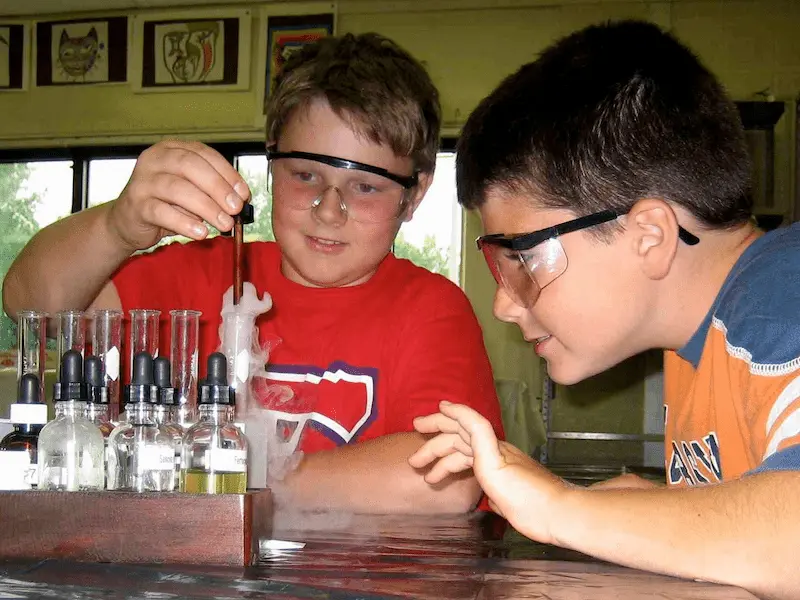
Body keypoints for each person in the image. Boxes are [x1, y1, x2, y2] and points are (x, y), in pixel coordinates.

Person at [3, 32, 503, 514]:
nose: (329, 210)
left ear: (414, 194)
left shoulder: (430, 307)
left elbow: (450, 480)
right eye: (305, 176)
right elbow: (32, 304)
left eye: (365, 187)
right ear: (270, 162)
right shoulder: (201, 273)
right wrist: (117, 226)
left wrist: (232, 477)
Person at [408, 19, 800, 598]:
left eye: (523, 258)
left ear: (649, 235)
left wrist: (559, 508)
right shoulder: (694, 346)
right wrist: (663, 511)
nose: (503, 303)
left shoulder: (779, 296)